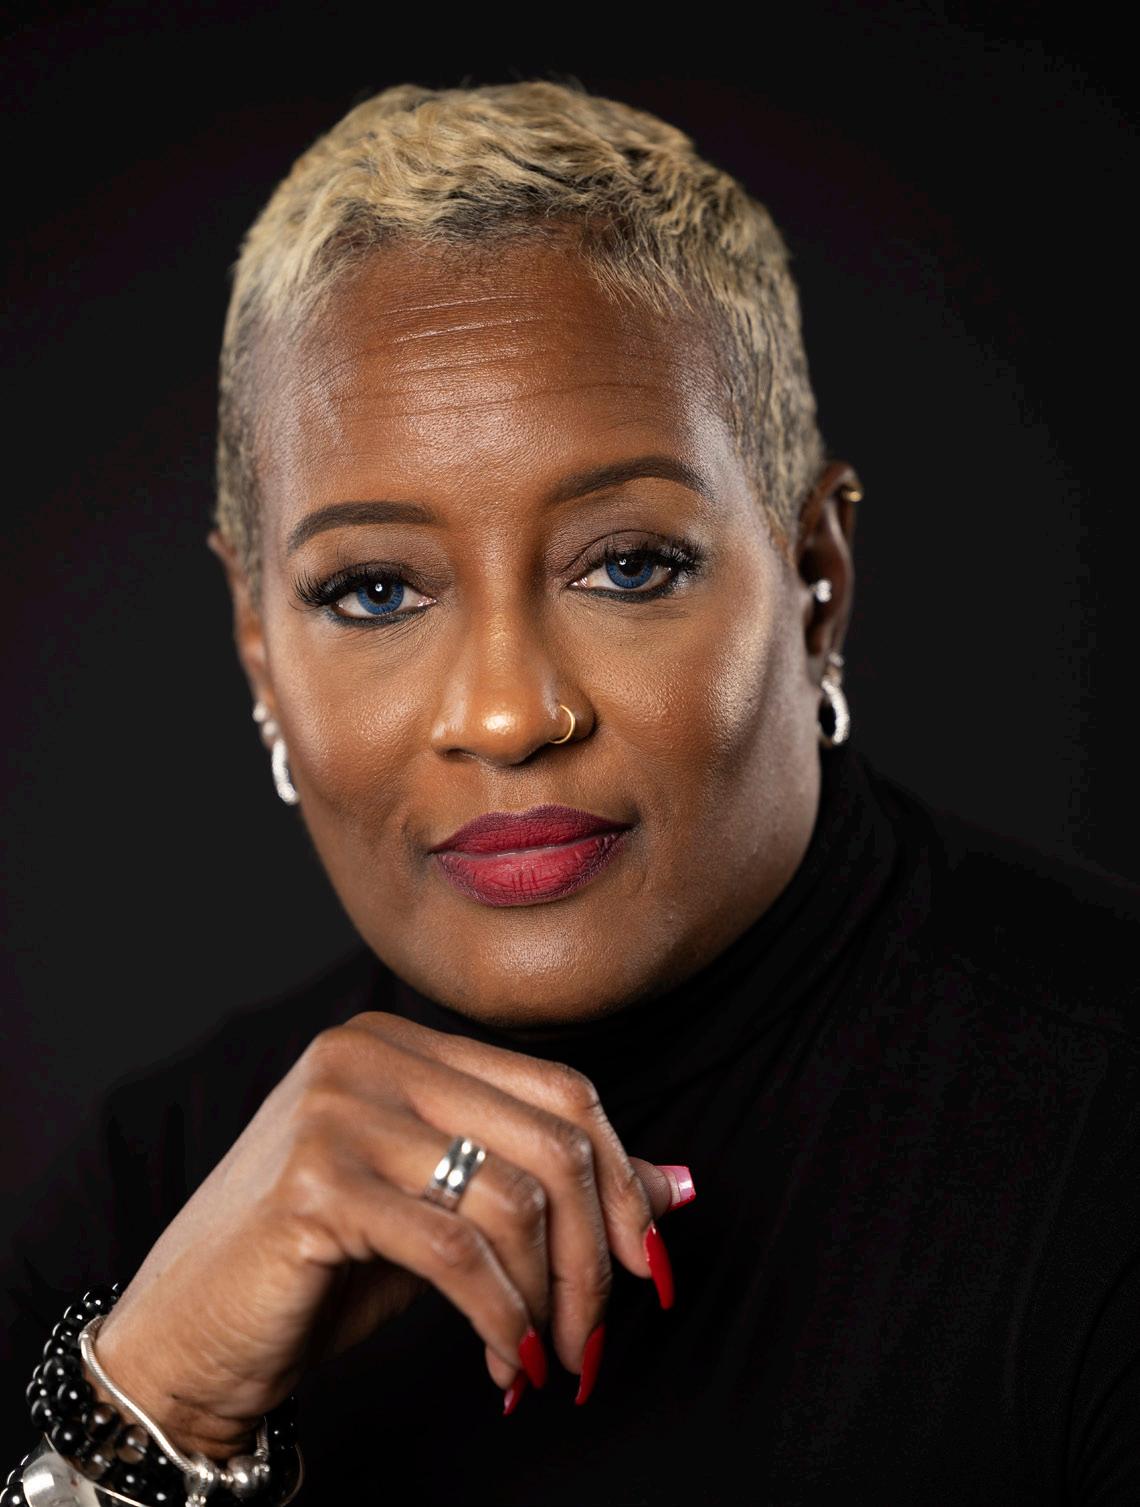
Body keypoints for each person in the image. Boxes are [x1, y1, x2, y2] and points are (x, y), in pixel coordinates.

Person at [4, 77, 1138, 1507]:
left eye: (629, 566)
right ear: (259, 652)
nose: (506, 714)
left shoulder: (1105, 1133)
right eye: (373, 590)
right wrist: (156, 1402)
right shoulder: (154, 1191)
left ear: (817, 584)